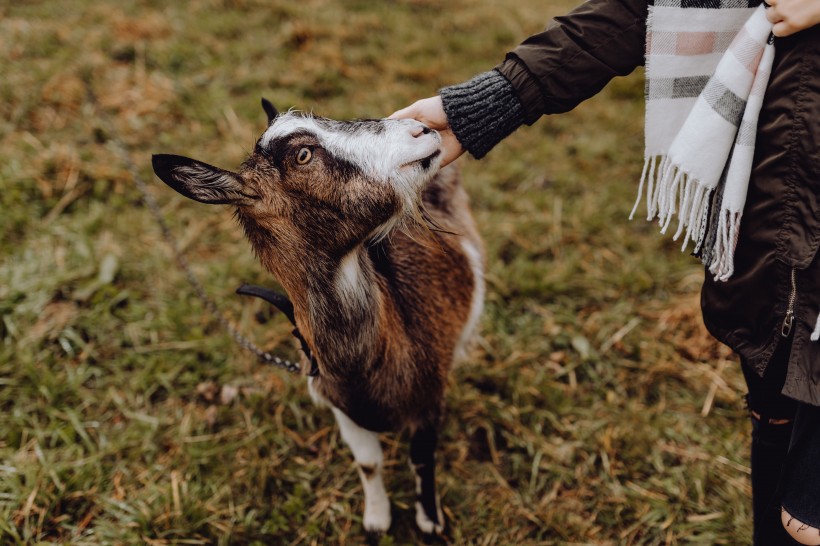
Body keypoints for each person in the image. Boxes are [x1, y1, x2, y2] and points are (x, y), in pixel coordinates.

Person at [391, 0, 820, 544]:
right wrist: (484, 104)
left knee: (806, 524)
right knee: (773, 425)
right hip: (769, 240)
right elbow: (646, 8)